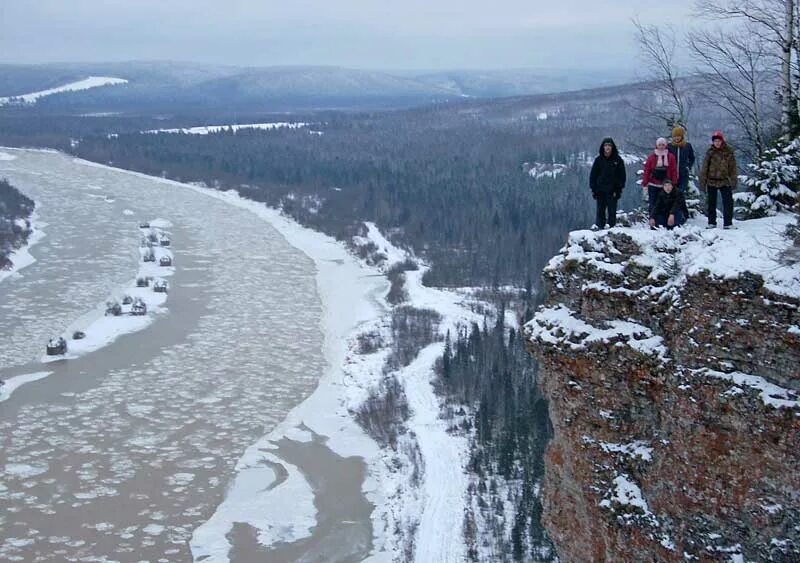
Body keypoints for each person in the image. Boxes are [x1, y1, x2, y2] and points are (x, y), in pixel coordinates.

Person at [699, 131, 737, 229]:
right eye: (715, 141)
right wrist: (703, 183)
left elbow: (733, 168)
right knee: (711, 203)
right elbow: (704, 168)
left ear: (722, 141)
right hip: (711, 180)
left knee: (728, 202)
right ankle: (711, 222)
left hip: (725, 180)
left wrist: (733, 181)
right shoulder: (710, 152)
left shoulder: (728, 152)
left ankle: (728, 223)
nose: (717, 143)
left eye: (718, 141)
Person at [589, 137, 627, 229]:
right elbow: (593, 175)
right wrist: (594, 189)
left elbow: (622, 176)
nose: (607, 147)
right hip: (600, 190)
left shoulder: (618, 160)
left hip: (612, 190)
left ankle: (611, 229)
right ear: (603, 147)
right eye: (606, 145)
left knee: (612, 212)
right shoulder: (598, 160)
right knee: (600, 211)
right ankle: (599, 228)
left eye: (609, 145)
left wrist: (619, 190)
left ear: (612, 147)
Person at [642, 137, 678, 217]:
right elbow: (647, 170)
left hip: (666, 185)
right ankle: (652, 220)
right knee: (653, 203)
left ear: (665, 146)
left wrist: (674, 182)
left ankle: (663, 221)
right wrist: (645, 182)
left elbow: (673, 170)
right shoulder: (652, 157)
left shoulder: (670, 157)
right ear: (656, 145)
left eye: (663, 145)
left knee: (665, 204)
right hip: (653, 184)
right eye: (659, 145)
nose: (661, 146)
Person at [668, 125, 695, 199]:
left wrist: (688, 167)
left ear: (682, 136)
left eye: (678, 136)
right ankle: (672, 210)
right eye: (675, 136)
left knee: (680, 193)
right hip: (672, 174)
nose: (677, 138)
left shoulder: (687, 146)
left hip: (683, 174)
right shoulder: (670, 146)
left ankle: (679, 209)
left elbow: (692, 158)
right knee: (672, 194)